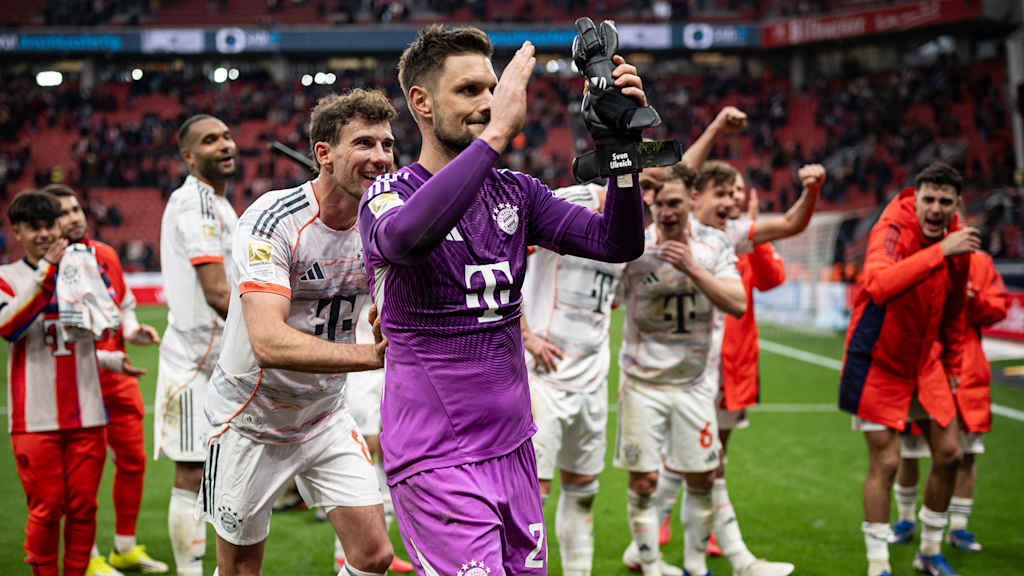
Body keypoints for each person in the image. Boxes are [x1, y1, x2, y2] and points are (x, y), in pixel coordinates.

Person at [358, 25, 646, 573]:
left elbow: (620, 242)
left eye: (493, 89)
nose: (490, 103)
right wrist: (494, 141)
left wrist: (621, 154)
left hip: (515, 449)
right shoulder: (388, 195)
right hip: (435, 460)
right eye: (469, 91)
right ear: (420, 102)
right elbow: (407, 241)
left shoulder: (517, 193)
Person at [200, 89, 395, 576]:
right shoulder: (273, 221)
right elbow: (267, 341)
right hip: (249, 421)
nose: (380, 157)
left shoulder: (382, 222)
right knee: (242, 570)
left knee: (374, 556)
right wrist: (370, 356)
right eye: (364, 143)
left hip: (324, 415)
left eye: (387, 145)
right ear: (323, 154)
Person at [615, 164, 793, 576]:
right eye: (658, 204)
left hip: (696, 384)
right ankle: (650, 563)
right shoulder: (633, 248)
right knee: (643, 482)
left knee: (701, 477)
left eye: (674, 202)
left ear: (690, 202)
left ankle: (696, 566)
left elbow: (737, 302)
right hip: (642, 385)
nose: (666, 211)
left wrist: (693, 268)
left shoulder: (714, 245)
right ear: (649, 204)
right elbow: (605, 302)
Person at [839, 161, 977, 576]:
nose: (935, 209)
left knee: (952, 453)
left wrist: (952, 364)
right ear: (915, 198)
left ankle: (930, 552)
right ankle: (878, 563)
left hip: (924, 361)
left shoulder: (957, 240)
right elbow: (878, 286)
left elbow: (955, 312)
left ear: (956, 205)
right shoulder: (892, 228)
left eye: (944, 202)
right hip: (876, 358)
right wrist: (941, 252)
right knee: (886, 462)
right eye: (928, 199)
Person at [1, 190, 136, 576]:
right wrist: (47, 271)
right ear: (17, 231)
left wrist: (112, 355)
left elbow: (99, 326)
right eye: (34, 228)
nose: (44, 234)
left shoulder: (83, 271)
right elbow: (9, 327)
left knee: (84, 508)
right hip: (35, 416)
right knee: (46, 507)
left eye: (50, 226)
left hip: (88, 414)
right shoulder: (7, 278)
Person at [48, 184, 168, 575]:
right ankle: (88, 557)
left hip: (119, 377)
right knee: (85, 471)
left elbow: (125, 304)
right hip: (74, 381)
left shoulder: (106, 254)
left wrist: (132, 330)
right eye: (62, 212)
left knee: (133, 460)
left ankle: (124, 548)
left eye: (75, 208)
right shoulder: (48, 268)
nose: (73, 217)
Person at [520, 181, 627, 576]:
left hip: (592, 383)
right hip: (543, 379)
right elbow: (504, 254)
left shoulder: (635, 226)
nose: (650, 194)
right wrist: (526, 335)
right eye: (647, 183)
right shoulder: (574, 202)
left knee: (583, 492)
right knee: (533, 497)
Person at [157, 114, 238, 576]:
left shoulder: (220, 205)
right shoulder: (196, 205)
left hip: (218, 363)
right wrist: (268, 337)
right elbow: (216, 292)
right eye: (210, 141)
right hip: (194, 363)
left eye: (227, 136)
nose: (224, 145)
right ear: (188, 156)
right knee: (191, 473)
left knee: (220, 473)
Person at [890, 245, 1008, 551]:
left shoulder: (981, 263)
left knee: (965, 454)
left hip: (966, 373)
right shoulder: (918, 256)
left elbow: (998, 309)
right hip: (922, 366)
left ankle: (958, 527)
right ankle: (905, 520)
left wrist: (974, 301)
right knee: (909, 450)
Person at [334, 300, 415, 574]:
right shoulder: (360, 261)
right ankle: (344, 551)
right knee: (366, 449)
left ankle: (379, 544)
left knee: (389, 448)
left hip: (393, 359)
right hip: (362, 358)